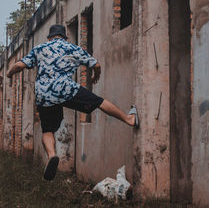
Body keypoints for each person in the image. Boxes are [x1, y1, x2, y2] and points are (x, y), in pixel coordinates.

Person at [7, 24, 139, 181]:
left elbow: (19, 65)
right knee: (99, 102)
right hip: (66, 89)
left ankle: (51, 155)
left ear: (49, 37)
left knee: (47, 130)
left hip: (44, 95)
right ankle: (129, 119)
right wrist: (95, 75)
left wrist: (9, 74)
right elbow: (96, 64)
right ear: (64, 37)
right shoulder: (72, 48)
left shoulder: (40, 48)